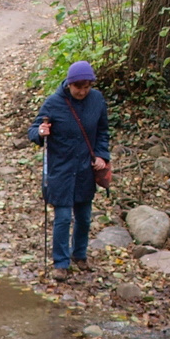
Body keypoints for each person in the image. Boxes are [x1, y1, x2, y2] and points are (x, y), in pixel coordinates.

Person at [29, 60, 110, 280]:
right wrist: (41, 132)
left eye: (87, 87)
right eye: (78, 87)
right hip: (61, 170)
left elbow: (103, 131)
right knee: (63, 217)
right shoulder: (54, 103)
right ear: (69, 85)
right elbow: (33, 130)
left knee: (84, 217)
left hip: (85, 169)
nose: (83, 92)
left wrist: (102, 155)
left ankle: (80, 255)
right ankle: (61, 263)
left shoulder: (97, 100)